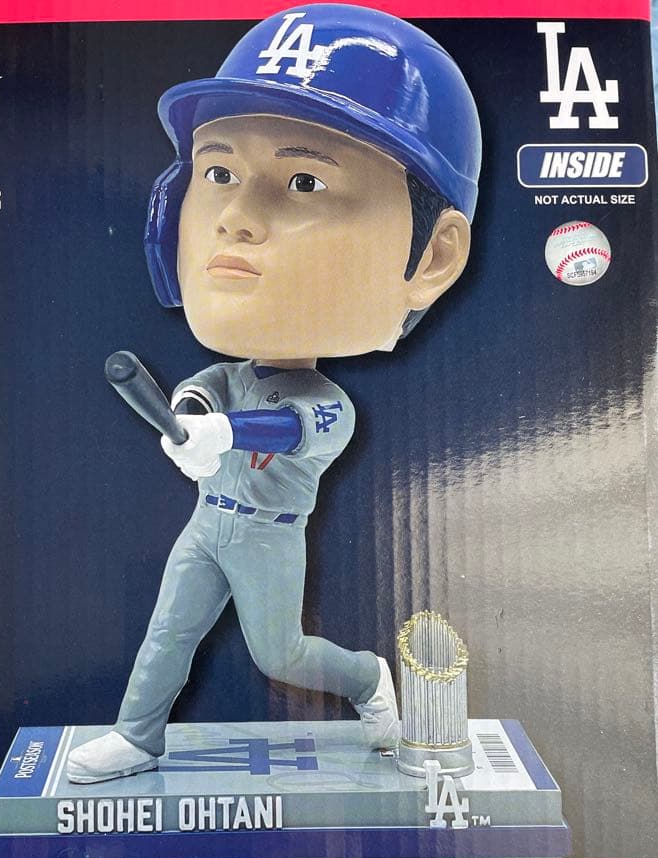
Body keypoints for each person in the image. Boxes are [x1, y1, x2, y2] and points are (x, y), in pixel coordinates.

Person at [67, 3, 481, 783]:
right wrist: (186, 425)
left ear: (431, 256)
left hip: (267, 537)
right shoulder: (228, 376)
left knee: (280, 654)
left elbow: (285, 428)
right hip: (208, 523)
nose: (234, 218)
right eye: (219, 173)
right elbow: (199, 395)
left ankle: (366, 680)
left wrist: (221, 436)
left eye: (303, 181)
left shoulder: (332, 404)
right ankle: (137, 737)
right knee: (167, 633)